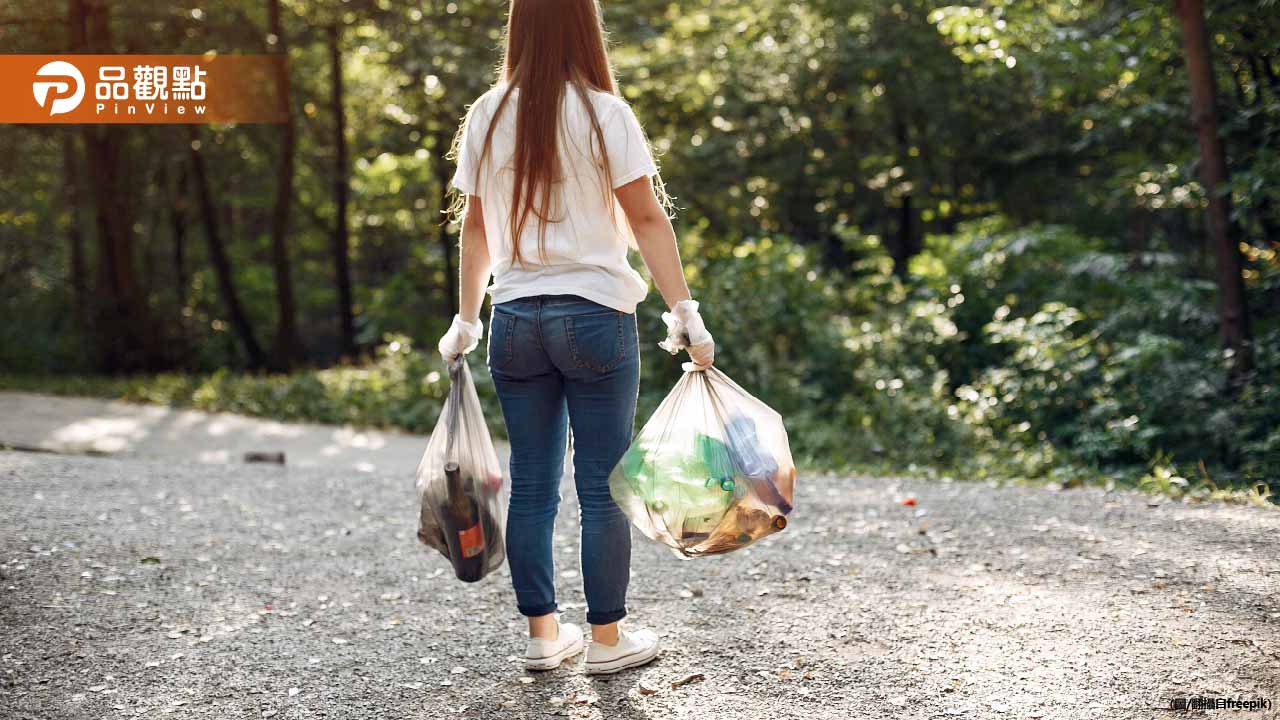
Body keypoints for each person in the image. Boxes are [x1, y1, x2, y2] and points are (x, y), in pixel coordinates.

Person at [436, 0, 715, 676]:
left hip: (515, 321)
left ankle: (542, 635)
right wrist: (686, 313)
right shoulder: (603, 113)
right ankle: (608, 643)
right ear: (584, 26)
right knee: (601, 486)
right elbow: (646, 218)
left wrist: (467, 318)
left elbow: (474, 229)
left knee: (532, 484)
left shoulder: (487, 114)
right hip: (595, 317)